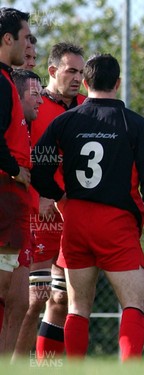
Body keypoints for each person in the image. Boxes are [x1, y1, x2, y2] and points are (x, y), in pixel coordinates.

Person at [30, 53, 144, 361]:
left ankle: (73, 369)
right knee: (134, 304)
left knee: (78, 306)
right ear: (118, 83)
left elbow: (37, 165)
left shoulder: (65, 121)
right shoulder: (133, 123)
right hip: (116, 222)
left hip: (76, 219)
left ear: (86, 81)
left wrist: (58, 195)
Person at [13, 42, 86, 360]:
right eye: (71, 70)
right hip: (40, 215)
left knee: (61, 300)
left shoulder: (87, 106)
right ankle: (14, 363)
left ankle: (47, 367)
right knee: (35, 297)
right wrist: (42, 195)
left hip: (76, 216)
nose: (77, 78)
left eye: (82, 72)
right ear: (53, 70)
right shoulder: (33, 103)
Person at [0, 69, 42, 356]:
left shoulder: (29, 128)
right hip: (9, 210)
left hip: (22, 217)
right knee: (6, 291)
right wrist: (15, 171)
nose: (39, 100)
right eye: (34, 94)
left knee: (21, 301)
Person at [0, 6, 33, 338]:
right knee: (9, 291)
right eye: (24, 38)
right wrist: (13, 169)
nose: (28, 46)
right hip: (5, 198)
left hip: (10, 201)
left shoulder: (6, 79)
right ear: (7, 38)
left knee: (15, 297)